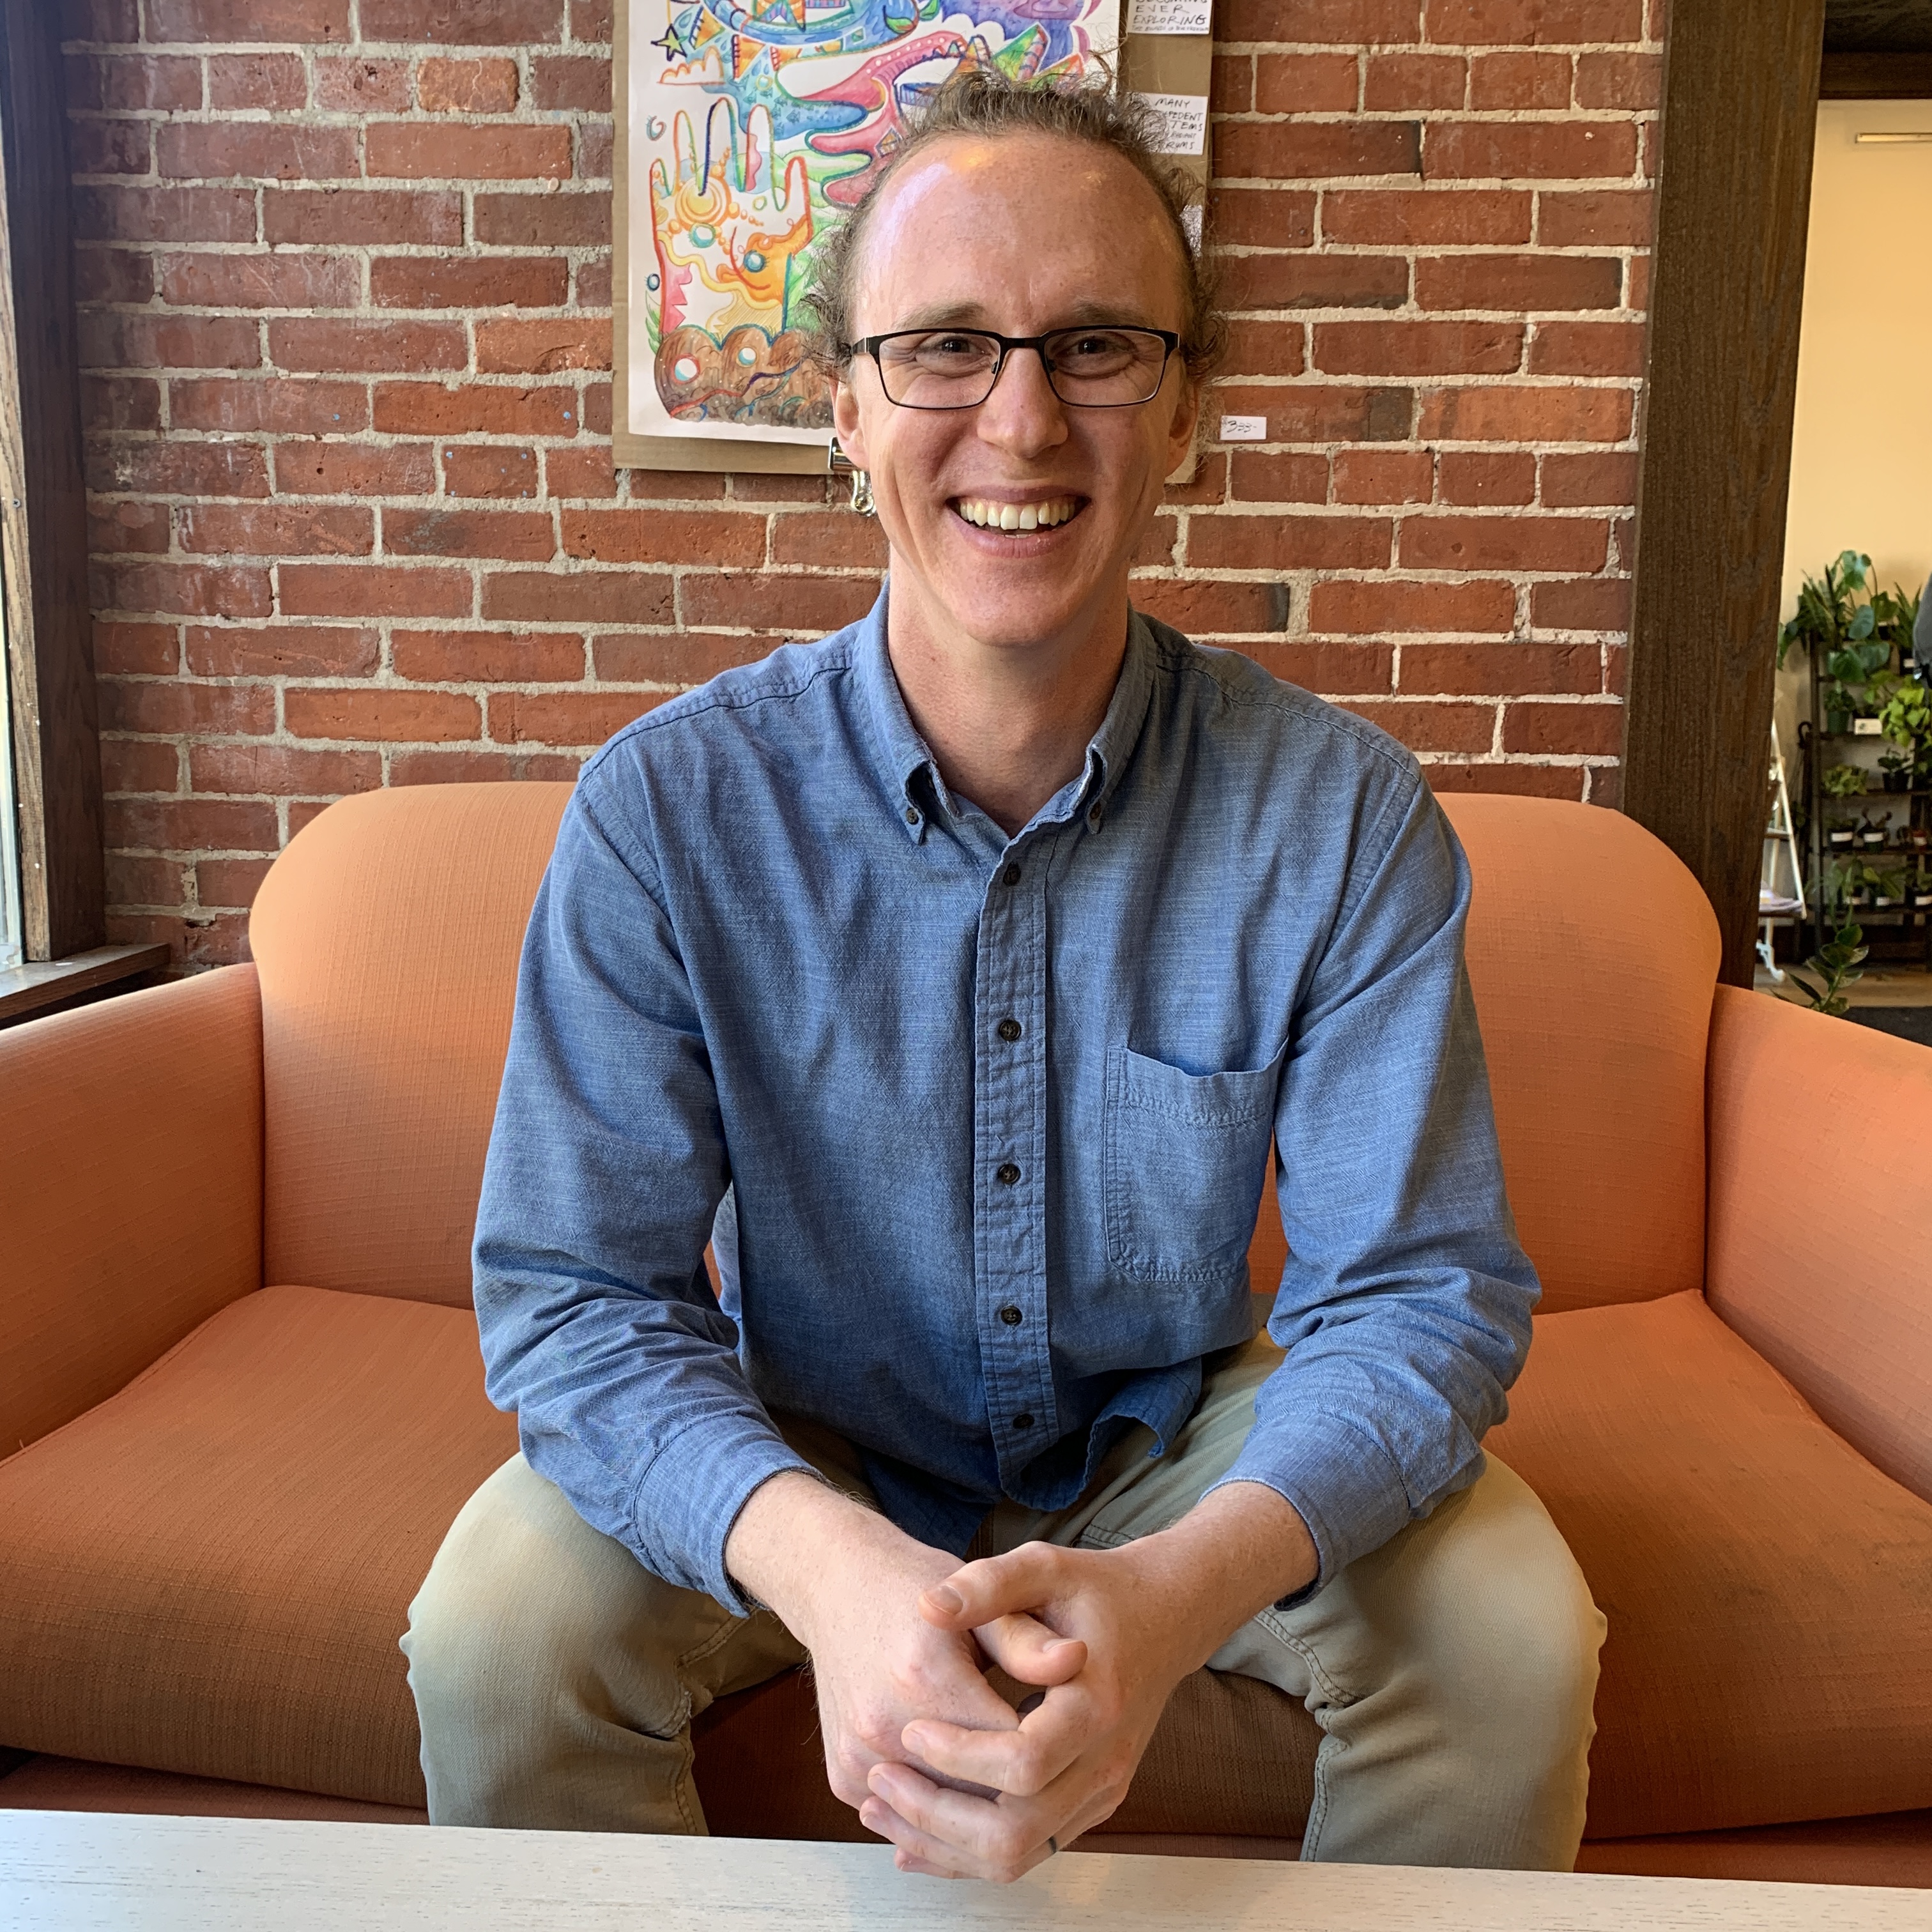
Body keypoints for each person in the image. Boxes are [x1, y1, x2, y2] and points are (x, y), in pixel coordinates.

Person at [402, 71, 1605, 1883]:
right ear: (847, 410)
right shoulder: (664, 812)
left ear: (1182, 409)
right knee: (501, 1634)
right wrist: (828, 1570)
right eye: (945, 346)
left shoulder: (1342, 816)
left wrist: (1169, 1596)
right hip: (802, 1440)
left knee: (1511, 1637)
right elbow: (576, 1300)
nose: (1022, 419)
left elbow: (1423, 1301)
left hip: (1172, 1441)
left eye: (1098, 345)